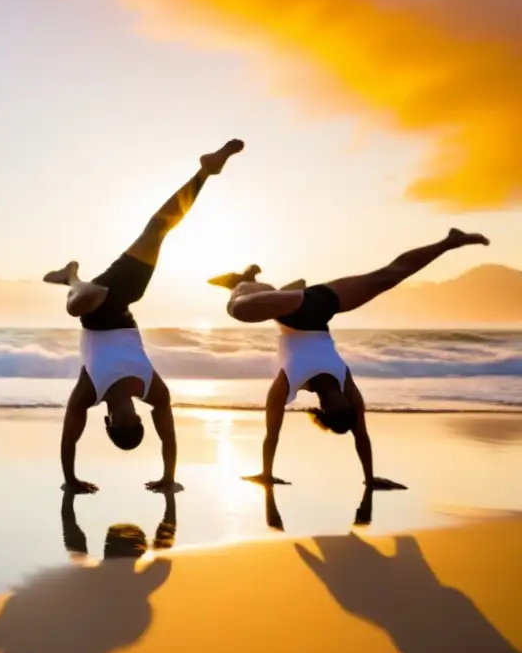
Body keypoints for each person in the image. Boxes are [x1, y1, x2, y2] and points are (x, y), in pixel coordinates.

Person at [210, 228, 490, 488]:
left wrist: (266, 474)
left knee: (238, 308)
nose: (340, 401)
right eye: (345, 405)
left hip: (292, 311)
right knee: (387, 277)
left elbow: (272, 431)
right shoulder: (345, 382)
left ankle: (243, 280)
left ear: (324, 410)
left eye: (334, 407)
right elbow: (362, 437)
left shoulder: (291, 381)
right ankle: (449, 241)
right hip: (321, 303)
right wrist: (370, 478)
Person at [44, 139, 245, 493]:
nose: (125, 413)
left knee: (81, 302)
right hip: (122, 300)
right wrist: (169, 477)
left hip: (92, 313)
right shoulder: (151, 389)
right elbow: (168, 433)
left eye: (120, 420)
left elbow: (68, 438)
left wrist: (70, 480)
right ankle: (207, 170)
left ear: (107, 422)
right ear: (139, 415)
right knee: (157, 229)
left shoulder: (89, 392)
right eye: (133, 417)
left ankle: (71, 276)